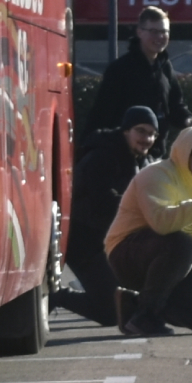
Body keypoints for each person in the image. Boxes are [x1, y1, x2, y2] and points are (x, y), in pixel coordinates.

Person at [103, 125, 192, 336]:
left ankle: (132, 303)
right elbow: (160, 223)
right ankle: (145, 316)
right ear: (184, 154)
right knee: (181, 244)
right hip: (130, 254)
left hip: (184, 263)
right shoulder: (155, 175)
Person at [54, 107, 159, 326]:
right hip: (84, 242)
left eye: (151, 134)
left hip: (110, 242)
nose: (146, 138)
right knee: (112, 311)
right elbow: (99, 200)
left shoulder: (141, 161)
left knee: (124, 306)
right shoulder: (103, 155)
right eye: (141, 131)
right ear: (125, 131)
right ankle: (56, 297)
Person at [84, 6, 190, 149]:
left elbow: (175, 106)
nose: (159, 37)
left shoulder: (165, 67)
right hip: (122, 155)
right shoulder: (120, 69)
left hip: (156, 153)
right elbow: (101, 114)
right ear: (139, 32)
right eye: (153, 31)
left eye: (164, 32)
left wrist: (189, 121)